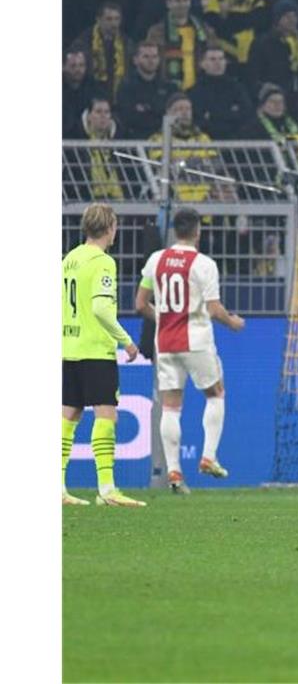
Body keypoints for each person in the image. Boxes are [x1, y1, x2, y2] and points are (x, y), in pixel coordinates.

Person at [136, 208, 245, 494]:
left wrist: (163, 319)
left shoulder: (155, 260)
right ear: (197, 231)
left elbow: (139, 304)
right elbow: (213, 308)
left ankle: (174, 472)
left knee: (170, 405)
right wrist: (232, 322)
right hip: (196, 339)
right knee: (215, 393)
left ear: (174, 230)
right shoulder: (204, 264)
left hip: (166, 342)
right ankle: (208, 456)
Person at [62, 204, 144, 507]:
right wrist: (126, 342)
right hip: (95, 349)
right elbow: (100, 308)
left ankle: (57, 486)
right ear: (109, 227)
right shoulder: (103, 262)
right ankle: (107, 488)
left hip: (68, 347)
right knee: (106, 413)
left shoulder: (69, 259)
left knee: (69, 414)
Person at [145, 0, 217, 91]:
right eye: (177, 1)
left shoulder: (204, 29)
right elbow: (151, 61)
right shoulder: (157, 31)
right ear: (168, 4)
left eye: (185, 0)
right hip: (168, 88)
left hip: (200, 88)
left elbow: (214, 54)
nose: (182, 4)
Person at [68, 2, 129, 101]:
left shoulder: (126, 42)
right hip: (89, 96)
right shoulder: (84, 42)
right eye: (109, 19)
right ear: (98, 20)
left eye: (117, 19)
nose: (114, 24)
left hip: (118, 96)